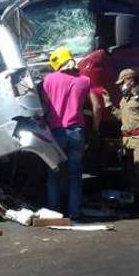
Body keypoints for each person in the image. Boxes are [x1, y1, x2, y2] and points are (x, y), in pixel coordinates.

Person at [42, 46, 101, 220]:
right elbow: (97, 108)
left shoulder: (48, 80)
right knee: (75, 174)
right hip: (76, 132)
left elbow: (44, 107)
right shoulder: (84, 80)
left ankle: (53, 213)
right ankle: (73, 213)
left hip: (55, 132)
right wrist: (95, 130)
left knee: (54, 173)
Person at [104, 68, 139, 199]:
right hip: (126, 140)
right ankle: (135, 198)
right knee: (129, 171)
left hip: (138, 140)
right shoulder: (124, 99)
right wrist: (110, 106)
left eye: (122, 82)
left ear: (130, 81)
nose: (120, 86)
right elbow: (123, 117)